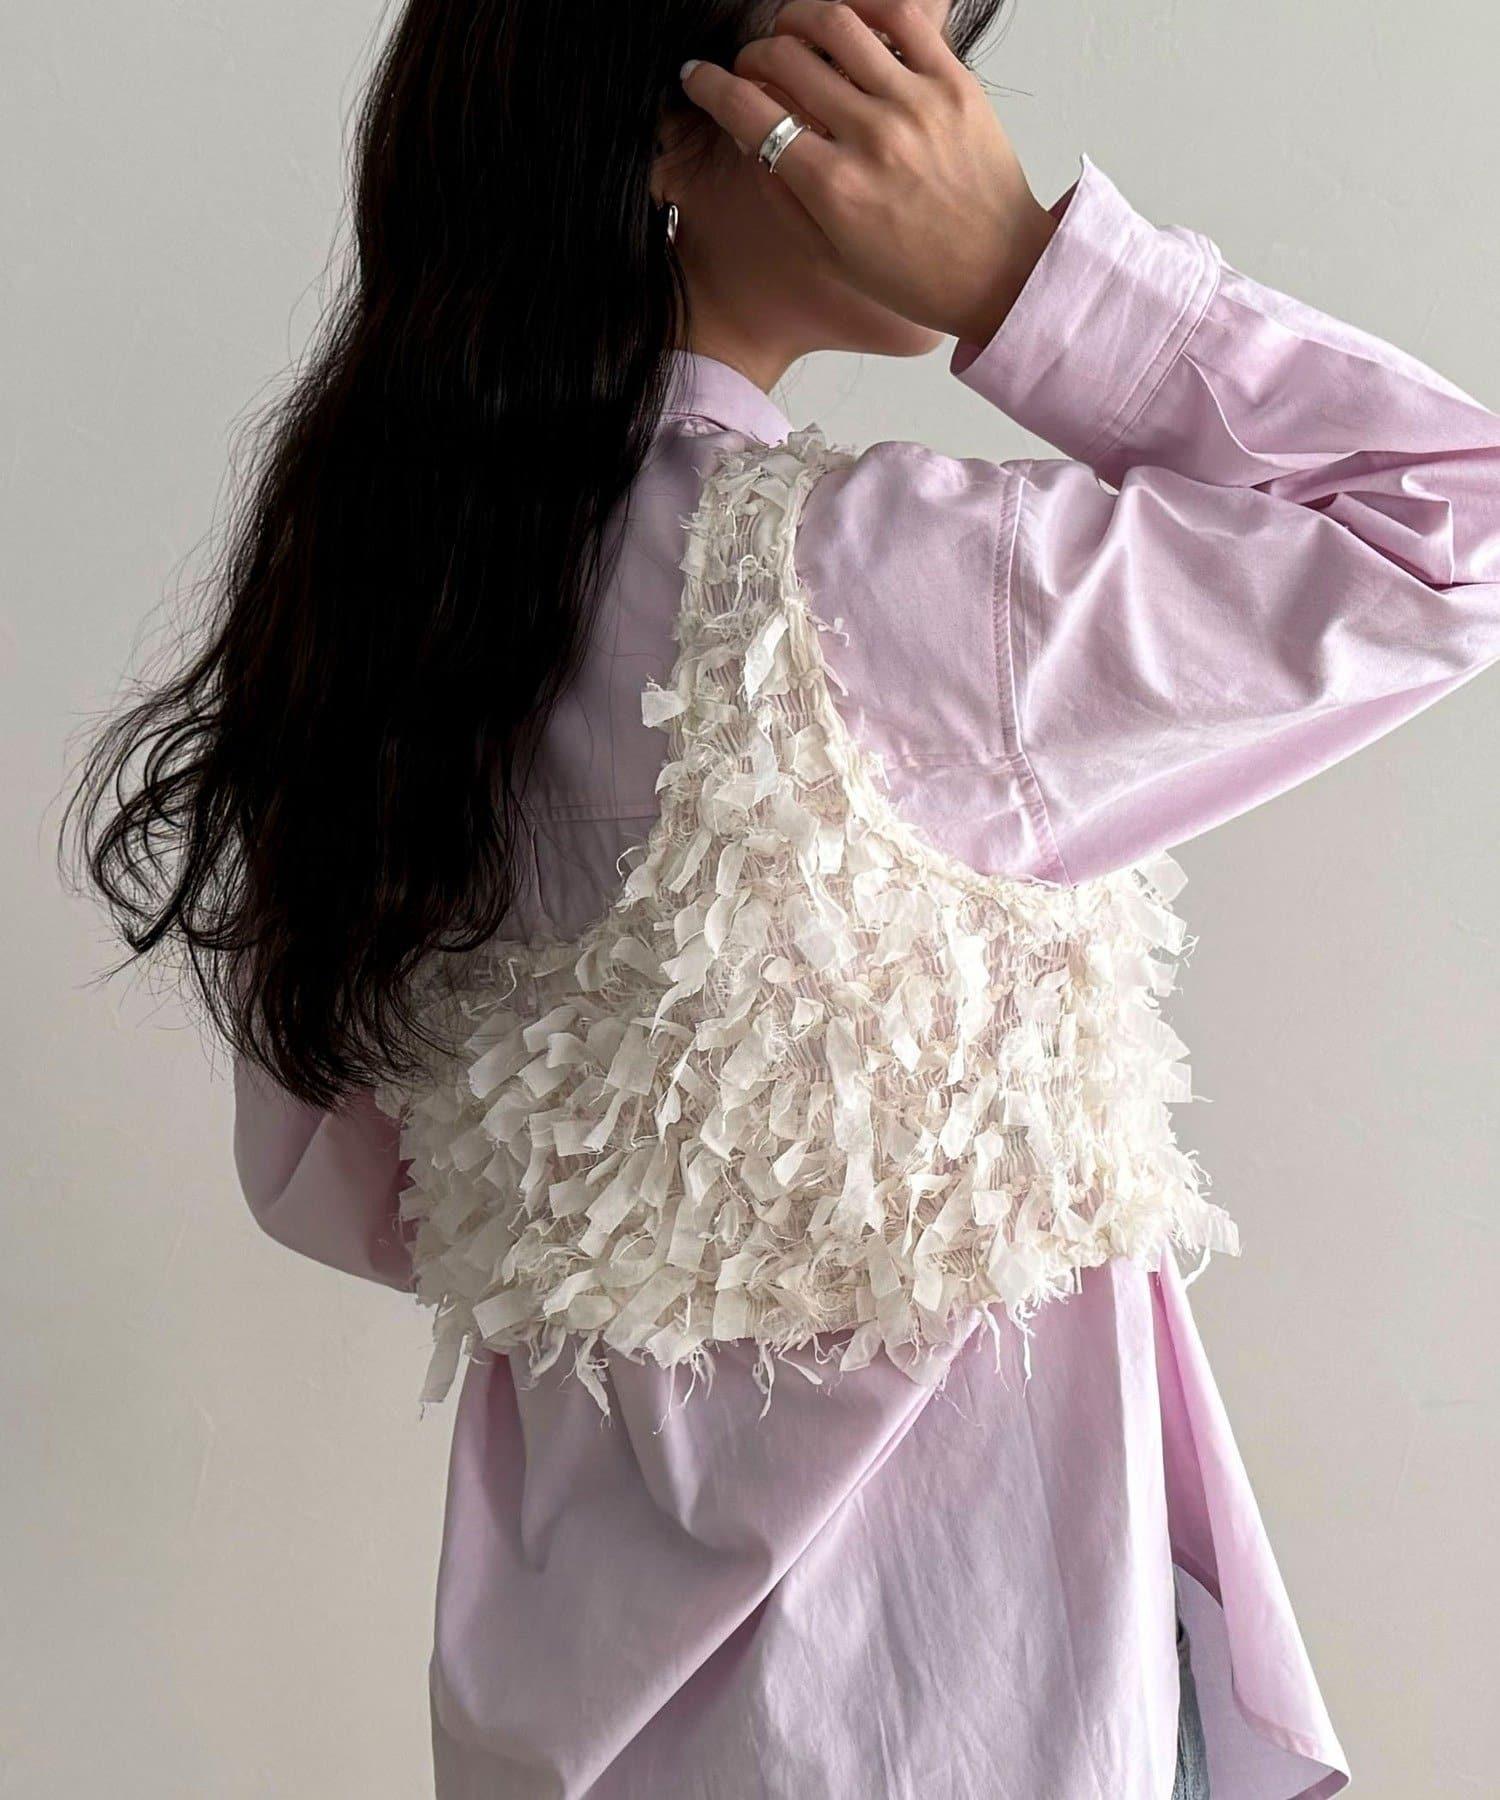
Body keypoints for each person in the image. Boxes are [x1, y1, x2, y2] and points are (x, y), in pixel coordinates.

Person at [65, 0, 1500, 1794]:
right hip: (957, 1696)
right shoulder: (870, 594)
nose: (954, 110)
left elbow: (342, 1187)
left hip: (579, 1702)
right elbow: (1457, 529)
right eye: (879, 59)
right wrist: (1023, 273)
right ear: (670, 134)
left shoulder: (372, 619)